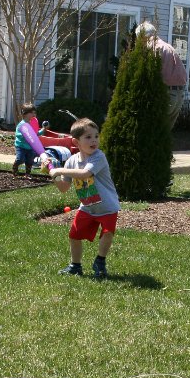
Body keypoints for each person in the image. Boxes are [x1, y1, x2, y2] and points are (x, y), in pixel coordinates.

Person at [46, 118, 121, 279]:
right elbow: (64, 188)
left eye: (96, 136)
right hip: (87, 206)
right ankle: (75, 266)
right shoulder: (72, 161)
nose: (94, 140)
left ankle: (100, 262)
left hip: (107, 206)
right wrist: (52, 173)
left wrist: (59, 170)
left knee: (107, 233)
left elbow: (86, 173)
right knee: (74, 235)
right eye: (88, 137)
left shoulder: (98, 157)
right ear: (75, 141)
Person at [135, 21, 188, 128]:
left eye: (139, 37)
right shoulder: (168, 46)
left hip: (166, 94)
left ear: (143, 36)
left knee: (153, 131)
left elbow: (151, 75)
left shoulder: (153, 48)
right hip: (179, 95)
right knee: (164, 134)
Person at [12, 103, 48, 176]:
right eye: (31, 113)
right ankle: (15, 167)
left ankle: (27, 174)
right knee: (20, 159)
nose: (34, 114)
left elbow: (35, 134)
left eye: (34, 112)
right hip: (21, 146)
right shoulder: (22, 124)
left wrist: (43, 130)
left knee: (29, 161)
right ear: (25, 114)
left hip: (30, 147)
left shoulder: (32, 124)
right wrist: (25, 135)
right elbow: (18, 134)